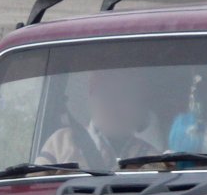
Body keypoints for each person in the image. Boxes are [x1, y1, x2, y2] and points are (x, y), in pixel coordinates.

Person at [37, 67, 165, 170]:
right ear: (91, 101)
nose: (113, 105)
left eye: (124, 95)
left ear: (138, 107)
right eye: (104, 94)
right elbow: (36, 184)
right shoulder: (60, 142)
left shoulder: (150, 157)